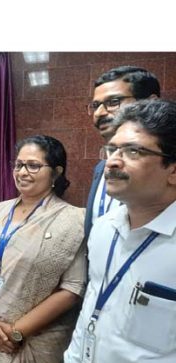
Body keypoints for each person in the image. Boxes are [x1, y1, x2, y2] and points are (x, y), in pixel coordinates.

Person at [59, 99, 176, 363]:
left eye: (134, 152)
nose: (112, 162)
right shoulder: (104, 228)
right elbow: (93, 304)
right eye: (112, 150)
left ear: (173, 170)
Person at [0, 135, 86, 363]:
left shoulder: (74, 219)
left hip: (40, 345)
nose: (22, 172)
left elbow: (72, 288)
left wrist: (18, 330)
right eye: (19, 164)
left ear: (56, 172)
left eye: (34, 166)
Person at [85, 66, 160, 237]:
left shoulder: (166, 165)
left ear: (150, 103)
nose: (99, 113)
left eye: (113, 102)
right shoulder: (101, 168)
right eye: (95, 105)